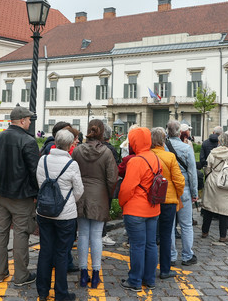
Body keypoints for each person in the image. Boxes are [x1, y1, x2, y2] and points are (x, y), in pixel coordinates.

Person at [0, 105, 39, 286]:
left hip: (0, 194)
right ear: (22, 120)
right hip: (21, 196)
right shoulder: (28, 141)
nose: (30, 122)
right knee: (21, 234)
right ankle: (21, 276)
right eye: (29, 119)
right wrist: (36, 193)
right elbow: (34, 172)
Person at [34, 129, 84, 301]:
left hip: (44, 212)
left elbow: (40, 183)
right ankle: (61, 293)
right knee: (62, 253)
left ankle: (42, 291)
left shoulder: (43, 160)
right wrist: (68, 201)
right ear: (70, 146)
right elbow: (79, 191)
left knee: (45, 251)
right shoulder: (72, 164)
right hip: (65, 215)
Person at [73, 119, 117, 289]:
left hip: (81, 195)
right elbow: (112, 178)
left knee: (83, 235)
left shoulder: (77, 151)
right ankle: (96, 274)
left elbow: (72, 172)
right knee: (97, 236)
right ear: (102, 133)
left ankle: (83, 274)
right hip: (99, 196)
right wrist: (107, 194)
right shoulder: (106, 152)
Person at [118, 127, 160, 292]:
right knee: (150, 245)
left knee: (137, 245)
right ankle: (149, 279)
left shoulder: (136, 161)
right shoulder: (155, 157)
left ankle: (135, 280)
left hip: (136, 209)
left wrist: (122, 203)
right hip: (153, 207)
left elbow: (127, 188)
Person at [150, 127, 185, 280]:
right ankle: (165, 269)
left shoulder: (147, 156)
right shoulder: (169, 157)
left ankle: (148, 269)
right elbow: (179, 180)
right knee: (165, 235)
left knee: (150, 236)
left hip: (151, 200)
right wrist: (178, 194)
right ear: (163, 140)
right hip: (168, 200)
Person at [164, 120, 198, 267]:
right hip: (183, 188)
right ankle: (187, 255)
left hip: (168, 189)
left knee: (170, 225)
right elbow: (192, 173)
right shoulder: (186, 148)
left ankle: (171, 256)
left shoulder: (163, 148)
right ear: (179, 133)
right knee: (186, 224)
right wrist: (194, 192)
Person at [201, 130, 228, 243]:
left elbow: (207, 168)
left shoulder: (213, 153)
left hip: (212, 182)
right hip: (227, 184)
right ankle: (222, 235)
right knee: (225, 210)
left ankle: (205, 231)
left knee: (209, 207)